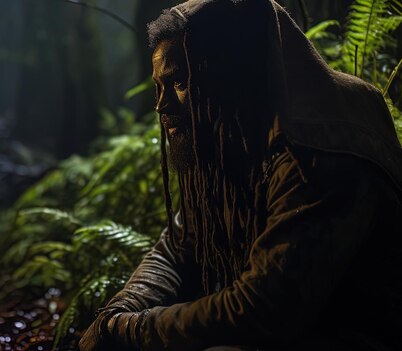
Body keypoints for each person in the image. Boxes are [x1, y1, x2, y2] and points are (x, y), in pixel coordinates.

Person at [79, 0, 402, 350]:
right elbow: (177, 247)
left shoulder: (318, 149)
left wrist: (125, 330)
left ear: (226, 75)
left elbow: (264, 310)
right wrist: (119, 312)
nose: (162, 106)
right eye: (159, 87)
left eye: (179, 83)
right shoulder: (230, 131)